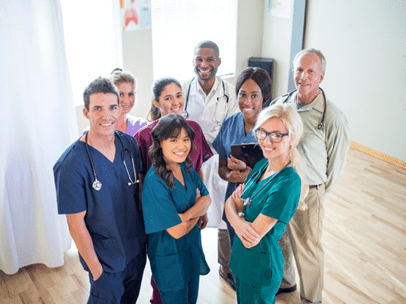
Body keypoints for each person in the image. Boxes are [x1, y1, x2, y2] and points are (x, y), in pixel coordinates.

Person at [53, 78, 146, 303]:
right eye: (98, 108)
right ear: (86, 112)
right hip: (104, 259)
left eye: (113, 107)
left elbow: (139, 196)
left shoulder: (129, 145)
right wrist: (97, 270)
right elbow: (75, 225)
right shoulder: (71, 164)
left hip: (135, 250)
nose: (107, 116)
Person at [272, 49, 350, 304]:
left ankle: (311, 298)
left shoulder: (332, 117)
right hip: (280, 186)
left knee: (308, 247)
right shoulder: (280, 105)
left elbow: (336, 163)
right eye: (299, 70)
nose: (303, 76)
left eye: (310, 71)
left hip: (308, 192)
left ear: (321, 76)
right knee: (280, 237)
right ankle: (286, 282)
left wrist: (318, 192)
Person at [134, 77, 212, 304]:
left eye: (179, 95)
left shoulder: (186, 161)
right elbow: (142, 185)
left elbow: (202, 185)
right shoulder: (144, 139)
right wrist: (153, 219)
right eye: (168, 97)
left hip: (186, 221)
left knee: (189, 289)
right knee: (167, 290)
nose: (181, 145)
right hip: (162, 220)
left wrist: (193, 212)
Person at [225, 104, 305, 304]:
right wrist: (240, 221)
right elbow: (229, 202)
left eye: (277, 135)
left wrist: (238, 216)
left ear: (292, 139)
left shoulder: (287, 184)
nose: (266, 141)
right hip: (244, 260)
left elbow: (251, 237)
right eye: (262, 132)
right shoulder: (262, 165)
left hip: (260, 267)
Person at [182, 40, 239, 289]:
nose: (204, 65)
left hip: (219, 161)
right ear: (193, 60)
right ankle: (188, 262)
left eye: (209, 59)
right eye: (198, 59)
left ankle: (225, 265)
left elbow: (234, 128)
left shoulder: (230, 91)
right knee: (192, 213)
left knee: (226, 215)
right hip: (189, 164)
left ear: (218, 62)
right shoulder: (183, 90)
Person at [213, 67, 272, 248]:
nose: (247, 101)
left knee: (261, 256)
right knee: (237, 252)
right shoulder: (229, 124)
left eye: (254, 95)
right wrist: (230, 176)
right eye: (242, 94)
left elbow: (282, 172)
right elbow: (222, 167)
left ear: (265, 97)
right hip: (235, 204)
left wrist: (251, 176)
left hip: (264, 205)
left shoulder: (274, 127)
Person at [83, 68, 147, 136]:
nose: (126, 101)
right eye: (121, 94)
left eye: (130, 94)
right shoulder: (90, 133)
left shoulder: (141, 125)